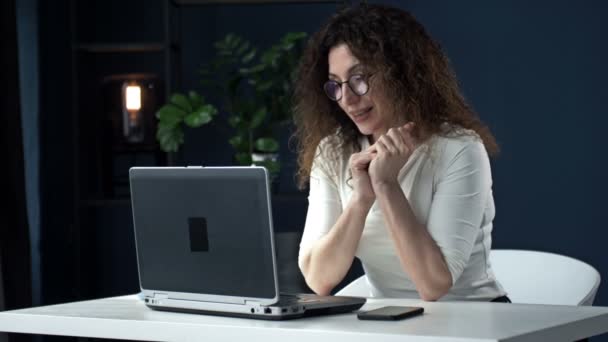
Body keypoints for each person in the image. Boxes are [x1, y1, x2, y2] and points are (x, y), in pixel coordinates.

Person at [293, 3, 509, 302]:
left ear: (402, 71)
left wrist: (386, 185)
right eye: (336, 85)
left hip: (474, 317)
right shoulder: (333, 151)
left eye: (359, 78)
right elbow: (319, 279)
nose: (347, 98)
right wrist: (361, 198)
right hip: (392, 322)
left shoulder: (460, 148)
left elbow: (433, 286)